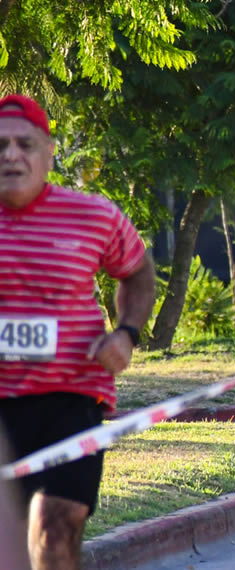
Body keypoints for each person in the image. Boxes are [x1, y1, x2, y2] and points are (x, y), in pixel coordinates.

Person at [0, 93, 157, 568]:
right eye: (0, 145)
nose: (11, 155)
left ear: (50, 152)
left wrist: (126, 333)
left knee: (56, 527)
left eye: (25, 144)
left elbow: (137, 271)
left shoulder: (92, 215)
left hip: (71, 397)